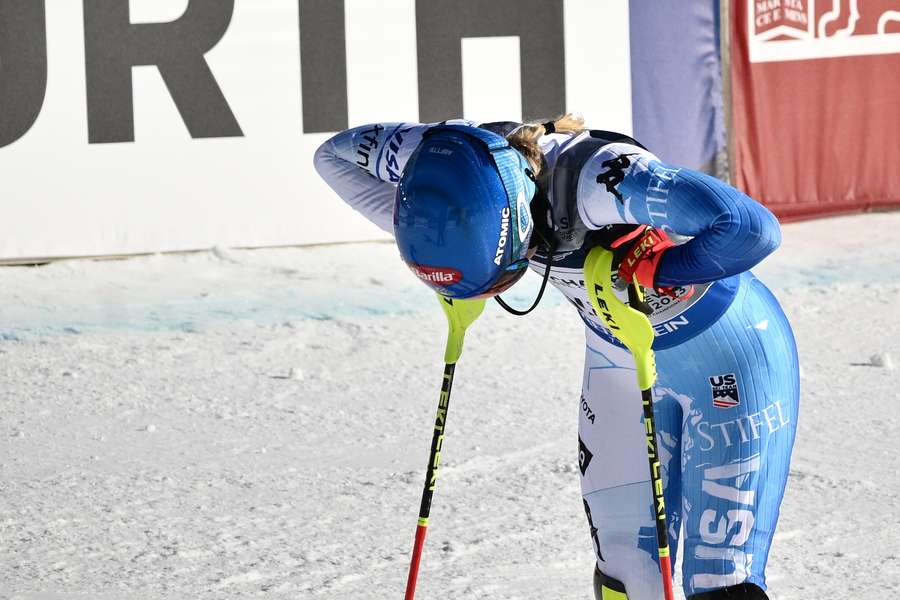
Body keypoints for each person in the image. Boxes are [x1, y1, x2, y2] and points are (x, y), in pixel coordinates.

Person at [314, 114, 799, 600]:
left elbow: (751, 229)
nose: (508, 285)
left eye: (506, 273)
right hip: (617, 361)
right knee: (625, 572)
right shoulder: (437, 154)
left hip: (730, 361)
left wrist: (663, 268)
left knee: (718, 583)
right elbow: (332, 155)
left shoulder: (604, 181)